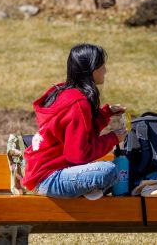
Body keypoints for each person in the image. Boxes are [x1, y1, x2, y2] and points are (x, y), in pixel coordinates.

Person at [22, 43, 128, 200]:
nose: (105, 70)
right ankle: (88, 191)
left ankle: (88, 191)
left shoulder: (67, 93)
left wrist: (106, 113)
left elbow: (83, 132)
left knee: (105, 170)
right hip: (49, 178)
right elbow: (78, 155)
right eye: (102, 65)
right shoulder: (78, 104)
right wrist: (112, 138)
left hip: (42, 173)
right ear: (91, 69)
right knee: (109, 170)